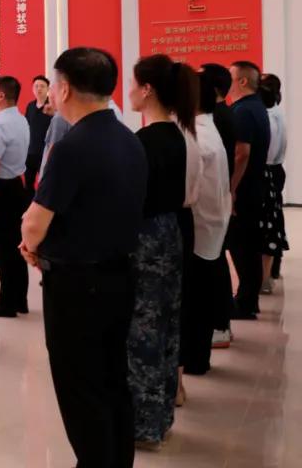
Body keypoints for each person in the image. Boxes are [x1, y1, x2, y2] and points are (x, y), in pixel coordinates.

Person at [20, 47, 147, 468]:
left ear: (65, 88)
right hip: (120, 275)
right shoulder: (130, 139)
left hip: (77, 286)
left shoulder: (72, 147)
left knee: (80, 387)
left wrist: (31, 247)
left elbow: (34, 223)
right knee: (113, 379)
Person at [126, 54, 198, 448]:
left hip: (146, 238)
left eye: (133, 84)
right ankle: (161, 414)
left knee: (145, 327)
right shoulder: (177, 135)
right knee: (167, 323)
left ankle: (143, 422)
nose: (129, 92)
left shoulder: (145, 142)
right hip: (169, 232)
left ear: (147, 89)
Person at [180, 71, 232, 377]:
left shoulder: (198, 137)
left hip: (201, 228)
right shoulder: (204, 129)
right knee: (200, 297)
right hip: (210, 225)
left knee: (195, 301)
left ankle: (195, 359)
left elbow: (186, 192)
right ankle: (198, 357)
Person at [0, 76, 32, 317]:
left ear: (1, 95)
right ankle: (19, 299)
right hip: (16, 187)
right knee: (15, 245)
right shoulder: (21, 120)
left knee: (2, 248)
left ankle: (6, 302)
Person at [227, 60, 271, 320]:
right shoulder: (255, 107)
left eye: (231, 76)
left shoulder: (243, 111)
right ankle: (249, 300)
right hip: (253, 186)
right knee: (248, 245)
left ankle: (245, 302)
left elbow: (241, 152)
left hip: (244, 189)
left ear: (242, 81)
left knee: (242, 246)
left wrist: (231, 188)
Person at [200, 63, 237, 348]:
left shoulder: (219, 117)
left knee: (215, 265)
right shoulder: (220, 115)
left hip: (214, 202)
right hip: (218, 200)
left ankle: (220, 324)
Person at [259, 74, 288, 293]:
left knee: (270, 221)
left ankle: (267, 275)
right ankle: (273, 269)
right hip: (275, 169)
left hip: (269, 170)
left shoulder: (270, 116)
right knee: (274, 218)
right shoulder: (276, 112)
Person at [24, 76, 53, 189]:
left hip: (45, 152)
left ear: (48, 89)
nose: (39, 89)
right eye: (36, 86)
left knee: (45, 184)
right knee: (28, 184)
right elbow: (26, 126)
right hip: (30, 152)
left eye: (42, 86)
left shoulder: (52, 106)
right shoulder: (30, 106)